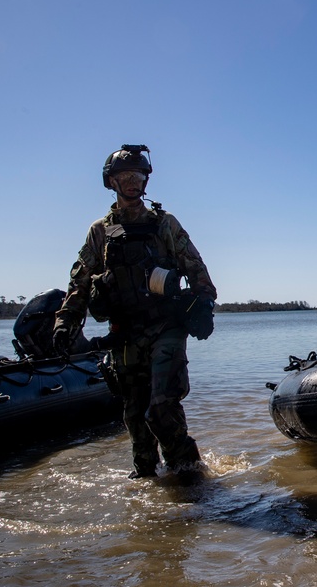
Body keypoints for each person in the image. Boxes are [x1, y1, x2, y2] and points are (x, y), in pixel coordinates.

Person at [53, 145, 218, 479]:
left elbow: (197, 269)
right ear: (111, 182)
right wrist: (65, 322)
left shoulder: (165, 224)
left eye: (138, 175)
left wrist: (204, 304)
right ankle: (146, 476)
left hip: (166, 326)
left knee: (161, 407)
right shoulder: (99, 232)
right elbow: (80, 281)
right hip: (124, 333)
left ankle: (188, 474)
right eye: (124, 176)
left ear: (146, 180)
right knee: (134, 417)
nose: (132, 182)